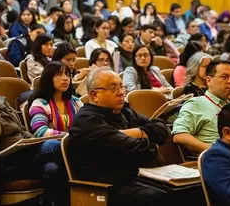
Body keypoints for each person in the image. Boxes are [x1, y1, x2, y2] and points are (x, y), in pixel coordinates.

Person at [68, 67, 169, 206]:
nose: (121, 92)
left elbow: (162, 129)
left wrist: (134, 132)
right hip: (105, 188)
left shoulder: (125, 112)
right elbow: (143, 150)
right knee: (157, 197)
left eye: (122, 86)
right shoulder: (86, 120)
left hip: (136, 178)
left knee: (189, 188)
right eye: (113, 88)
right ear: (94, 95)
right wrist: (151, 142)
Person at [0, 61, 68, 206]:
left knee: (52, 169)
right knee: (56, 145)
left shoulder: (0, 101)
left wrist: (30, 141)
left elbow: (20, 129)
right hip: (2, 162)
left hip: (23, 154)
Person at [172, 60, 230, 154]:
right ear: (209, 80)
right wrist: (215, 151)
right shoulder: (196, 104)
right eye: (224, 77)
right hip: (218, 160)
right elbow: (179, 136)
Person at [29, 62, 82, 137]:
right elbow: (40, 131)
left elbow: (86, 125)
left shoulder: (75, 102)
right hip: (53, 144)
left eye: (67, 74)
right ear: (48, 78)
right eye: (59, 74)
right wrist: (68, 137)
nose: (65, 78)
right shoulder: (40, 104)